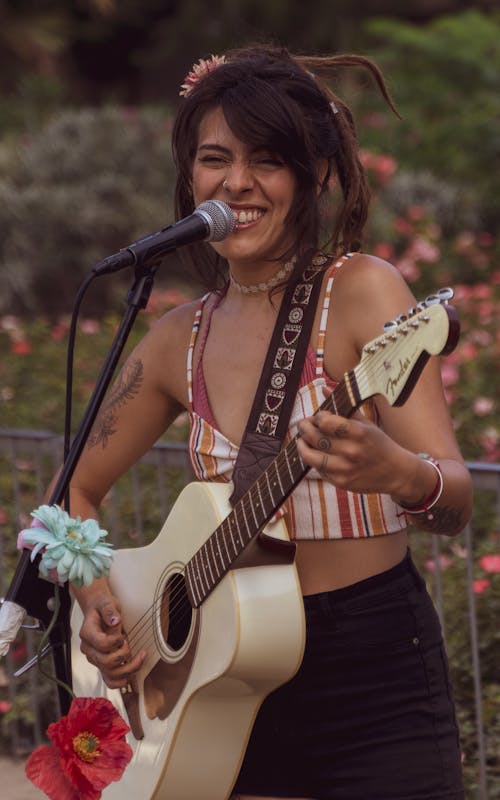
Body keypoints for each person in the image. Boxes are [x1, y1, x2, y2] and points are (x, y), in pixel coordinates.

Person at [67, 45, 472, 800]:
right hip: (222, 679)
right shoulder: (173, 339)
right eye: (215, 159)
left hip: (371, 669)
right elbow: (72, 496)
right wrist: (101, 606)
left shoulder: (361, 292)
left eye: (269, 160)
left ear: (314, 175)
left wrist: (398, 474)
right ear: (191, 177)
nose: (238, 183)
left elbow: (455, 499)